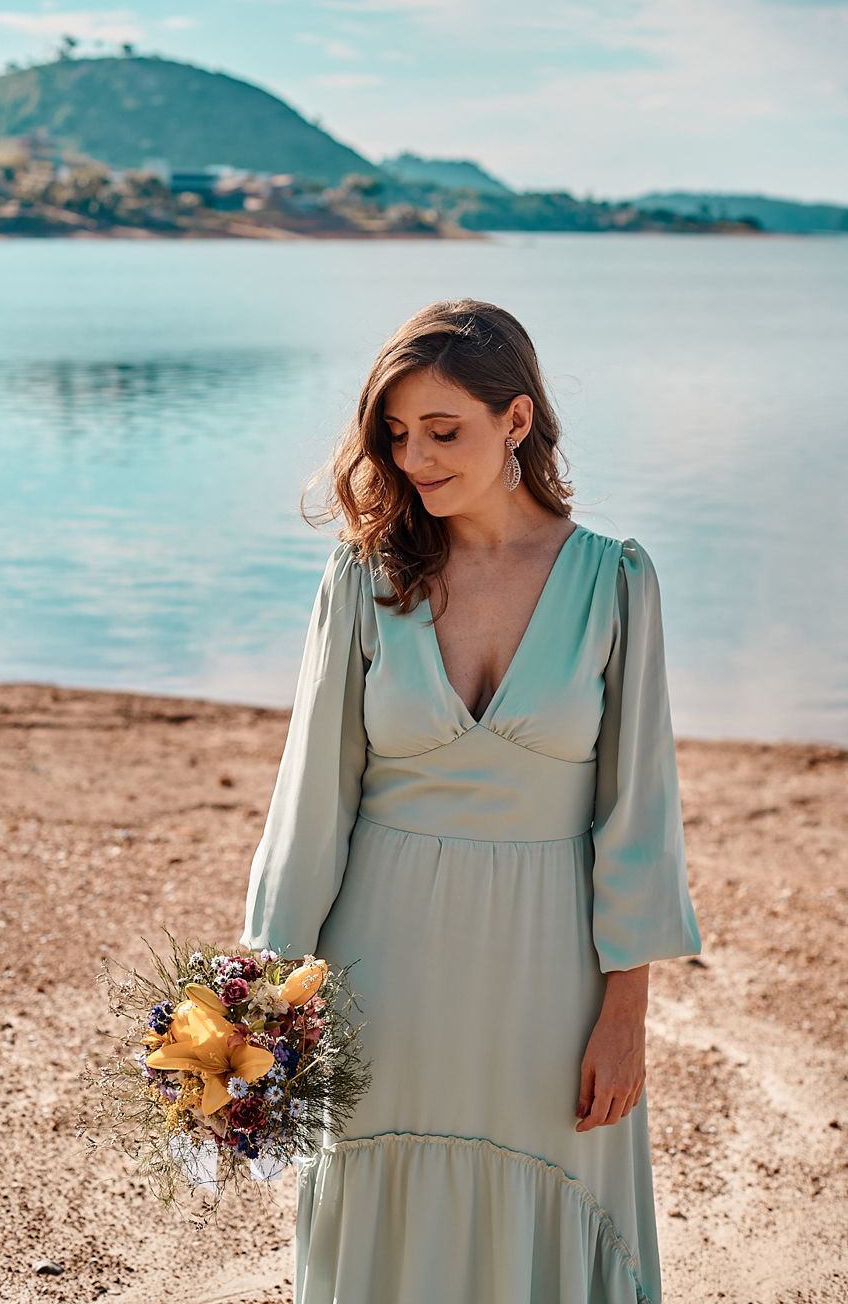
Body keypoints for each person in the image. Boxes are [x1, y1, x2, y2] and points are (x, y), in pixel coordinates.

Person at [242, 298, 701, 1304]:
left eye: (444, 432)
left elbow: (639, 814)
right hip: (381, 971)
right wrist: (265, 994)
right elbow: (312, 799)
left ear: (518, 423)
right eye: (398, 435)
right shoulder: (366, 577)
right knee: (377, 1222)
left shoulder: (616, 582)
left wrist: (626, 1010)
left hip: (550, 976)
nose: (416, 459)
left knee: (553, 1206)